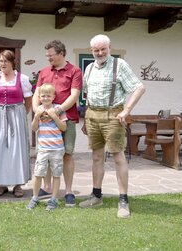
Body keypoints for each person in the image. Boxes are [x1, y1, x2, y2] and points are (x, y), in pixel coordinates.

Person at [80, 34, 146, 218]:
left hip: (113, 115)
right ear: (91, 50)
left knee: (118, 157)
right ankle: (96, 195)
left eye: (103, 49)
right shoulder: (89, 68)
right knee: (96, 157)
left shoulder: (120, 65)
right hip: (93, 114)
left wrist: (127, 110)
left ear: (110, 48)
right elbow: (87, 94)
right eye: (96, 50)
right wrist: (86, 117)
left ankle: (123, 200)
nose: (100, 53)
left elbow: (139, 87)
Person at [32, 40, 83, 207]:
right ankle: (47, 188)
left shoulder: (74, 71)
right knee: (46, 154)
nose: (48, 58)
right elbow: (37, 93)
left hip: (65, 118)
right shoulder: (44, 71)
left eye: (51, 55)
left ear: (61, 53)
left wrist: (57, 111)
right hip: (45, 120)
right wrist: (38, 111)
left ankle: (68, 191)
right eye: (47, 55)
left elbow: (74, 95)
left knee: (67, 154)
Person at [0, 49, 32, 198]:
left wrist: (20, 115)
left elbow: (28, 101)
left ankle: (18, 184)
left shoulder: (22, 78)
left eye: (6, 61)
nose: (3, 64)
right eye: (1, 61)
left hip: (17, 116)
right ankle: (1, 183)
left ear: (12, 62)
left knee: (16, 150)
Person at [27, 83, 67, 211]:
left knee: (56, 174)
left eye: (48, 96)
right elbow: (34, 128)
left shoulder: (58, 109)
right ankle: (35, 197)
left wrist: (54, 116)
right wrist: (37, 115)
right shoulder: (38, 109)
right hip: (43, 148)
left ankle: (53, 199)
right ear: (39, 97)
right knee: (38, 174)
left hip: (57, 148)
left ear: (53, 97)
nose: (45, 98)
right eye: (43, 96)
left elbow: (63, 127)